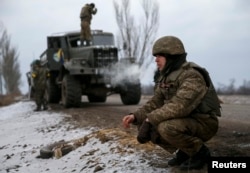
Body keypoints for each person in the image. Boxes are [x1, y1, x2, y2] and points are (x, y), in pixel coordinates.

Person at [122, 36, 221, 170]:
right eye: (155, 56)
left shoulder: (192, 75)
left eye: (160, 56)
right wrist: (136, 116)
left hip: (203, 122)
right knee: (145, 125)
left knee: (166, 127)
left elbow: (180, 106)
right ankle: (185, 151)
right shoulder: (166, 77)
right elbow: (155, 102)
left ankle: (199, 153)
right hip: (185, 121)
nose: (156, 60)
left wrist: (149, 119)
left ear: (172, 56)